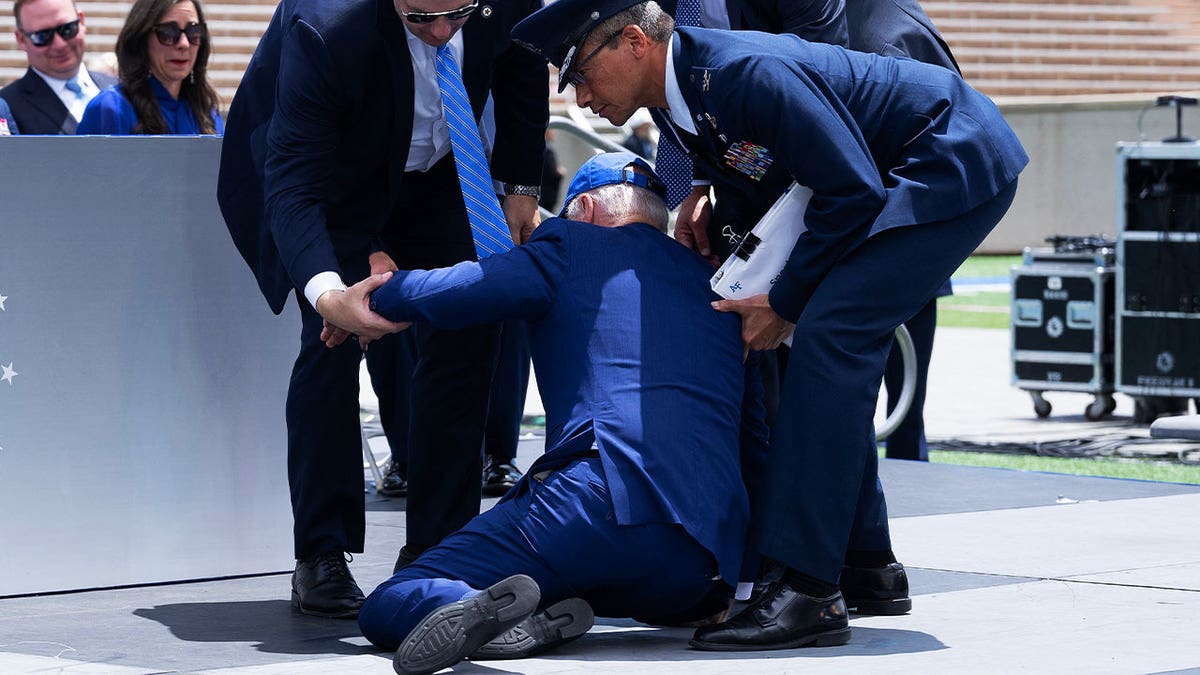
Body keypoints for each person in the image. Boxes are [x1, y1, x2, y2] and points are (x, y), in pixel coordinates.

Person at [512, 0, 1027, 650]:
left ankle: (810, 592)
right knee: (829, 344)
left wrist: (782, 300)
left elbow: (853, 189)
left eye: (582, 74)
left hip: (947, 156)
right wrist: (725, 229)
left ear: (635, 42)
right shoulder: (689, 99)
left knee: (829, 336)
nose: (581, 100)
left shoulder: (737, 73)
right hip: (900, 166)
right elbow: (783, 180)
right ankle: (866, 564)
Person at [317, 152, 759, 674]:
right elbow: (755, 437)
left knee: (392, 601)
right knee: (590, 579)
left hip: (593, 503)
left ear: (587, 207)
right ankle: (540, 612)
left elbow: (465, 285)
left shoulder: (570, 244)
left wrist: (364, 301)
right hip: (697, 562)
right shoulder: (718, 287)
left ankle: (490, 615)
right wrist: (739, 574)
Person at [216, 0, 548, 620]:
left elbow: (523, 62)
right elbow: (294, 180)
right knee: (331, 342)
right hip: (330, 172)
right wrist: (328, 294)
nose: (444, 32)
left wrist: (521, 186)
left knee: (470, 326)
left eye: (460, 14)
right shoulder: (327, 27)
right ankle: (321, 551)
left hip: (442, 173)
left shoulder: (503, 4)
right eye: (422, 17)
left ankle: (439, 549)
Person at [845, 0, 962, 464]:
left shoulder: (891, 34)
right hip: (886, 230)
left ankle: (905, 467)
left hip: (902, 230)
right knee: (885, 398)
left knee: (903, 399)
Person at [76, 0, 221, 135]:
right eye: (168, 33)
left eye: (193, 32)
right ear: (142, 39)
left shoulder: (208, 115)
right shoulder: (110, 109)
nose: (184, 44)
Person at [1, 0, 117, 134]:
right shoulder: (7, 108)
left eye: (67, 29)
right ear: (21, 40)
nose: (59, 45)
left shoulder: (124, 90)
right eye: (42, 36)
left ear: (81, 21)